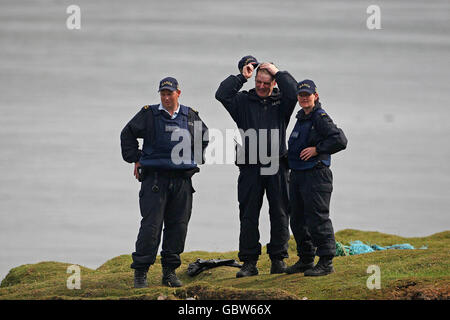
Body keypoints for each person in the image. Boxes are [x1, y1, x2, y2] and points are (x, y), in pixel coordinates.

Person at [120, 77, 209, 288]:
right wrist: (137, 157)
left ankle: (169, 273)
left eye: (170, 93)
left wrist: (194, 158)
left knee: (177, 227)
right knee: (151, 228)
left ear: (179, 93)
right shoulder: (149, 114)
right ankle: (140, 273)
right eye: (163, 94)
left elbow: (204, 136)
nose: (166, 97)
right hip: (155, 181)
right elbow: (127, 134)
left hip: (182, 182)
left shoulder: (190, 115)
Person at [215, 55, 298, 278]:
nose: (261, 86)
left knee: (280, 212)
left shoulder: (283, 103)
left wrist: (277, 71)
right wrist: (242, 77)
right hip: (250, 166)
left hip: (277, 164)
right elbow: (221, 94)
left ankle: (278, 260)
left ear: (273, 84)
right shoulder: (242, 102)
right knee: (248, 214)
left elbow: (294, 90)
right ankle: (249, 262)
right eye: (258, 82)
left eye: (266, 82)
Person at [285, 79, 347, 276]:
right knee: (297, 219)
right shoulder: (302, 117)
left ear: (316, 96)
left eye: (308, 95)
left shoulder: (319, 116)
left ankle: (326, 262)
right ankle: (306, 259)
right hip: (298, 175)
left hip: (316, 174)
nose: (304, 98)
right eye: (301, 95)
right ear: (298, 97)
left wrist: (317, 150)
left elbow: (339, 140)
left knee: (317, 218)